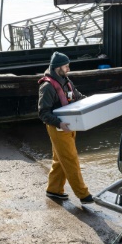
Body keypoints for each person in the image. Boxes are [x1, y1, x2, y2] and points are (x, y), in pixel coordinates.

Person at [38, 51, 94, 204]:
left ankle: (54, 190)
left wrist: (93, 102)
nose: (68, 69)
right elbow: (43, 113)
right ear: (58, 68)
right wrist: (59, 123)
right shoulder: (47, 86)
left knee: (59, 159)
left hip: (70, 125)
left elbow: (77, 96)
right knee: (71, 159)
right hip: (58, 128)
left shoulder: (66, 80)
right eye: (66, 66)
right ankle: (83, 195)